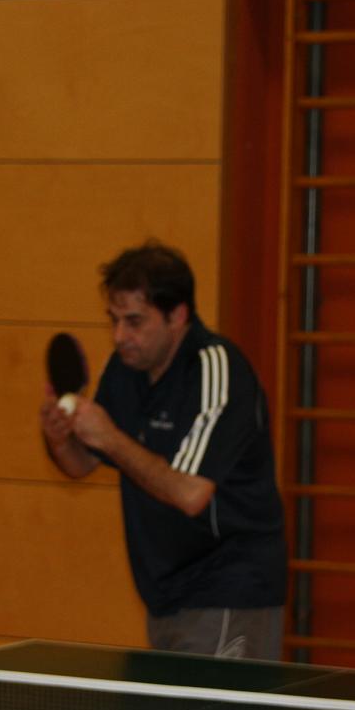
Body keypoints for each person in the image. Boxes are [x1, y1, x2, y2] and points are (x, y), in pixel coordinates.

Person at [41, 241, 287, 660]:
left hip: (229, 589)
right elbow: (83, 464)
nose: (120, 336)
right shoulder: (125, 370)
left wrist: (110, 436)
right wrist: (60, 439)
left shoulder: (217, 369)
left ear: (178, 315)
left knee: (212, 707)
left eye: (134, 321)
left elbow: (191, 493)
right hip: (164, 595)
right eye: (114, 320)